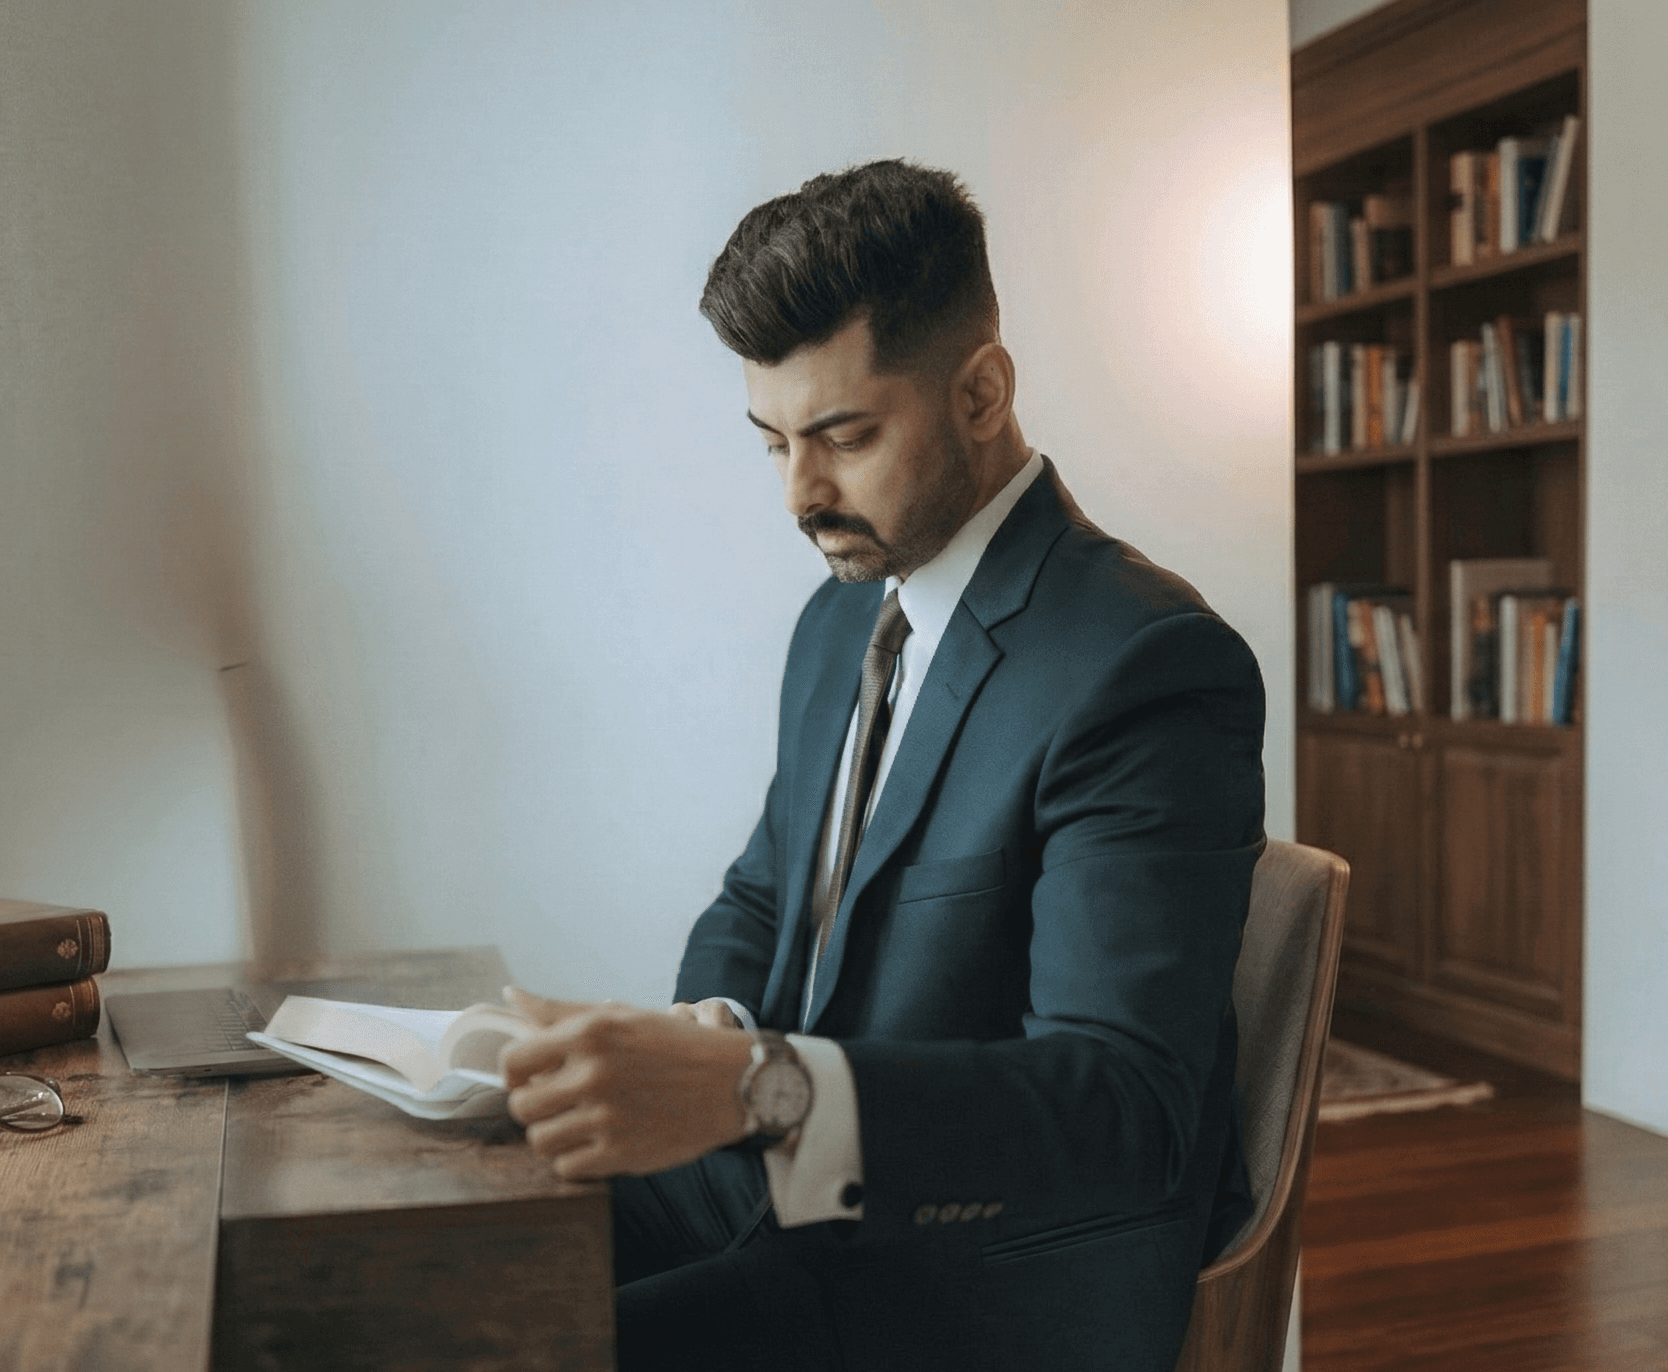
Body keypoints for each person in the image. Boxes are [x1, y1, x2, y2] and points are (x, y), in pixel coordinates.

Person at [499, 159, 1266, 1372]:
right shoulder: (840, 621)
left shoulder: (1145, 664)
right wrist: (716, 1029)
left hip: (974, 1281)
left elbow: (1124, 1109)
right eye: (772, 443)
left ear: (981, 390)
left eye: (843, 436)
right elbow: (763, 895)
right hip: (780, 1195)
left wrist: (754, 1091)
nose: (802, 494)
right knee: (411, 1273)